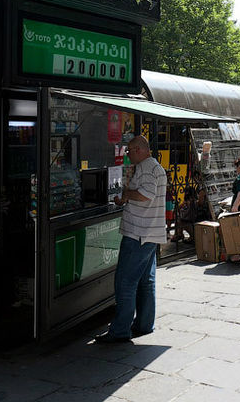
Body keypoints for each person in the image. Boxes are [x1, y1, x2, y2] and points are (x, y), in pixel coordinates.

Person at [95, 135, 167, 343]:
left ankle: (119, 331)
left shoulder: (145, 168)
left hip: (138, 234)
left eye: (128, 152)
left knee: (125, 282)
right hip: (150, 233)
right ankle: (144, 324)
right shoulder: (155, 167)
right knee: (146, 282)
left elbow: (146, 194)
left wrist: (126, 194)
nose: (127, 155)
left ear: (138, 150)